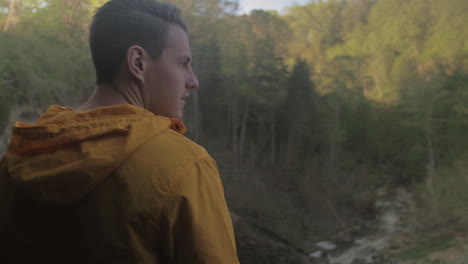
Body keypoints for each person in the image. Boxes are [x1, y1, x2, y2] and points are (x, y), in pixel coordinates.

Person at [0, 0, 239, 263]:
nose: (193, 81)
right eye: (183, 63)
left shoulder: (21, 155)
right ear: (137, 62)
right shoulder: (185, 167)